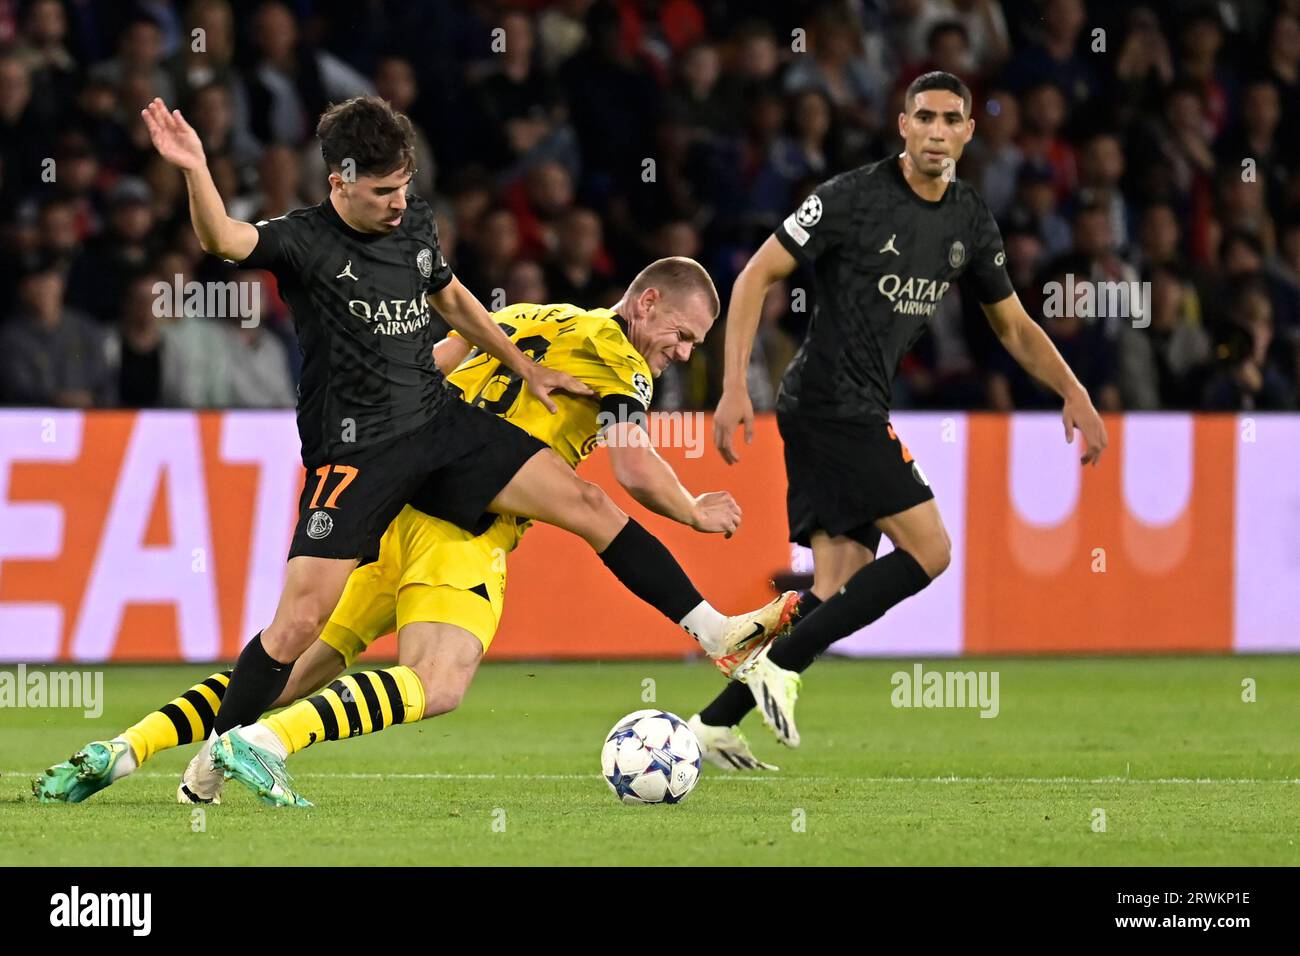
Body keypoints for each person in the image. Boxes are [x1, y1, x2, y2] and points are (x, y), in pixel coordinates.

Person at [120, 95, 794, 803]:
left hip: (434, 441)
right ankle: (238, 750)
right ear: (338, 182)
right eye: (382, 190)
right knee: (353, 649)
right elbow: (225, 240)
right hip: (402, 482)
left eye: (405, 187)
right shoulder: (307, 241)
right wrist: (197, 168)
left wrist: (524, 367)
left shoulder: (507, 292)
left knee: (575, 509)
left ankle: (146, 748)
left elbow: (449, 321)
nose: (398, 203)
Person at [34, 258, 765, 806]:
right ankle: (264, 741)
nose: (682, 353)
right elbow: (633, 471)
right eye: (683, 334)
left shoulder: (529, 317)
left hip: (396, 511)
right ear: (646, 304)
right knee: (439, 682)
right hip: (464, 530)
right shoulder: (620, 356)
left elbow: (430, 372)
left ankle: (124, 749)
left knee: (290, 665)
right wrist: (695, 508)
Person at [690, 71, 1108, 767]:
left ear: (969, 131)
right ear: (903, 124)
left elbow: (1012, 325)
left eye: (952, 119)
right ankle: (777, 669)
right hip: (830, 405)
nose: (938, 131)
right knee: (932, 549)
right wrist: (734, 385)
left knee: (833, 587)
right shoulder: (849, 198)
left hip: (849, 407)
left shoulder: (969, 218)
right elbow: (755, 275)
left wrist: (1075, 390)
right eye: (926, 118)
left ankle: (711, 725)